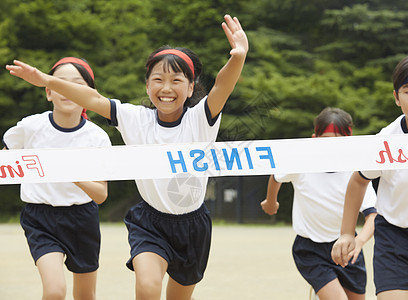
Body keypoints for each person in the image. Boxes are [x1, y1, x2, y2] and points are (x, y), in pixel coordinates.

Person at [6, 14, 248, 300]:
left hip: (192, 225)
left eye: (176, 80)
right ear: (147, 86)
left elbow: (222, 87)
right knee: (147, 288)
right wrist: (46, 80)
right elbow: (93, 99)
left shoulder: (200, 119)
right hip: (150, 222)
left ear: (191, 87)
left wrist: (238, 57)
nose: (166, 88)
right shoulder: (135, 119)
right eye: (158, 79)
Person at [331, 48, 408, 300]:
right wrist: (346, 232)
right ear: (397, 97)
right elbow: (358, 180)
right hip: (396, 237)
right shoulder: (385, 139)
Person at [2, 57, 111, 300]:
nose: (66, 90)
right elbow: (5, 162)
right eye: (60, 84)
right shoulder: (30, 127)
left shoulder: (97, 138)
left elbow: (101, 195)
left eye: (75, 84)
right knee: (54, 291)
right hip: (40, 218)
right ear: (48, 92)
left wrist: (70, 172)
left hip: (83, 219)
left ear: (88, 93)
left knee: (85, 295)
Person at [261, 107, 377, 300]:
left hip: (346, 248)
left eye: (339, 141)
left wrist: (359, 241)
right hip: (310, 249)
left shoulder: (356, 173)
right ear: (314, 139)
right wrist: (271, 201)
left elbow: (372, 215)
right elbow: (276, 175)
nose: (333, 147)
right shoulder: (301, 164)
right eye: (327, 140)